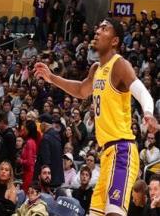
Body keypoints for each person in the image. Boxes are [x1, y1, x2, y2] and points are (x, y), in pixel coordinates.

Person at [35, 18, 158, 216]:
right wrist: (52, 78)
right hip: (106, 155)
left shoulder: (119, 64)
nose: (98, 31)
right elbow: (81, 90)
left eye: (104, 28)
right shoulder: (96, 69)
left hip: (122, 151)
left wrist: (149, 113)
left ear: (115, 40)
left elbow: (142, 91)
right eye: (98, 27)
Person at [34, 113, 64, 188]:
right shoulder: (56, 135)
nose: (39, 126)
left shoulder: (46, 138)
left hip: (49, 179)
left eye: (40, 124)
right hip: (57, 177)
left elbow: (46, 161)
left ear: (44, 124)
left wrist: (45, 177)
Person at [19, 120, 38, 193]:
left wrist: (20, 161)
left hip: (28, 175)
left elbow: (30, 162)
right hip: (26, 173)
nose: (23, 129)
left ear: (28, 130)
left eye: (25, 128)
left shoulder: (30, 142)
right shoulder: (30, 141)